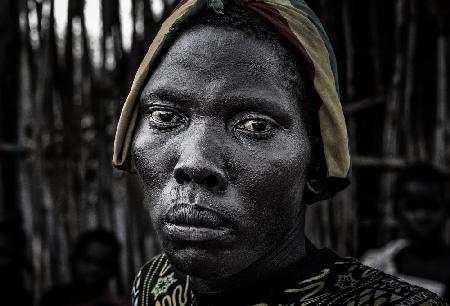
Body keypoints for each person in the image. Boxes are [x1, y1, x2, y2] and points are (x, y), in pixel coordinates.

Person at [112, 0, 446, 304]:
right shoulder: (155, 285)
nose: (195, 163)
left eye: (255, 125)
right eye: (165, 117)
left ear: (316, 164)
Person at [362, 163, 450, 301]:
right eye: (413, 207)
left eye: (432, 206)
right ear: (397, 212)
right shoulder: (379, 266)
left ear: (446, 210)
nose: (422, 216)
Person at [41, 229, 130, 306]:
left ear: (114, 269)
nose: (93, 269)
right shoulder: (53, 299)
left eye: (102, 263)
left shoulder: (118, 304)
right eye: (87, 260)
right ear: (73, 260)